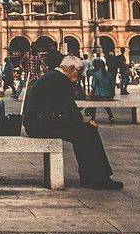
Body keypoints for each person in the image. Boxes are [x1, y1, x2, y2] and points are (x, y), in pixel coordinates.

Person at [23, 44, 123, 190]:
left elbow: (63, 108)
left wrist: (80, 120)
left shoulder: (52, 77)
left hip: (37, 123)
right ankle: (99, 178)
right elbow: (68, 109)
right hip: (40, 126)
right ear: (69, 68)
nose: (79, 75)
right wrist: (85, 122)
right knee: (88, 132)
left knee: (82, 132)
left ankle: (90, 176)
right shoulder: (60, 79)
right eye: (79, 71)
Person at [84, 53, 116, 123]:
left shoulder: (96, 74)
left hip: (102, 96)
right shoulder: (109, 73)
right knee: (102, 100)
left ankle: (93, 118)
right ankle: (111, 116)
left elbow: (93, 86)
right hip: (110, 95)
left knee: (94, 101)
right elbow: (113, 85)